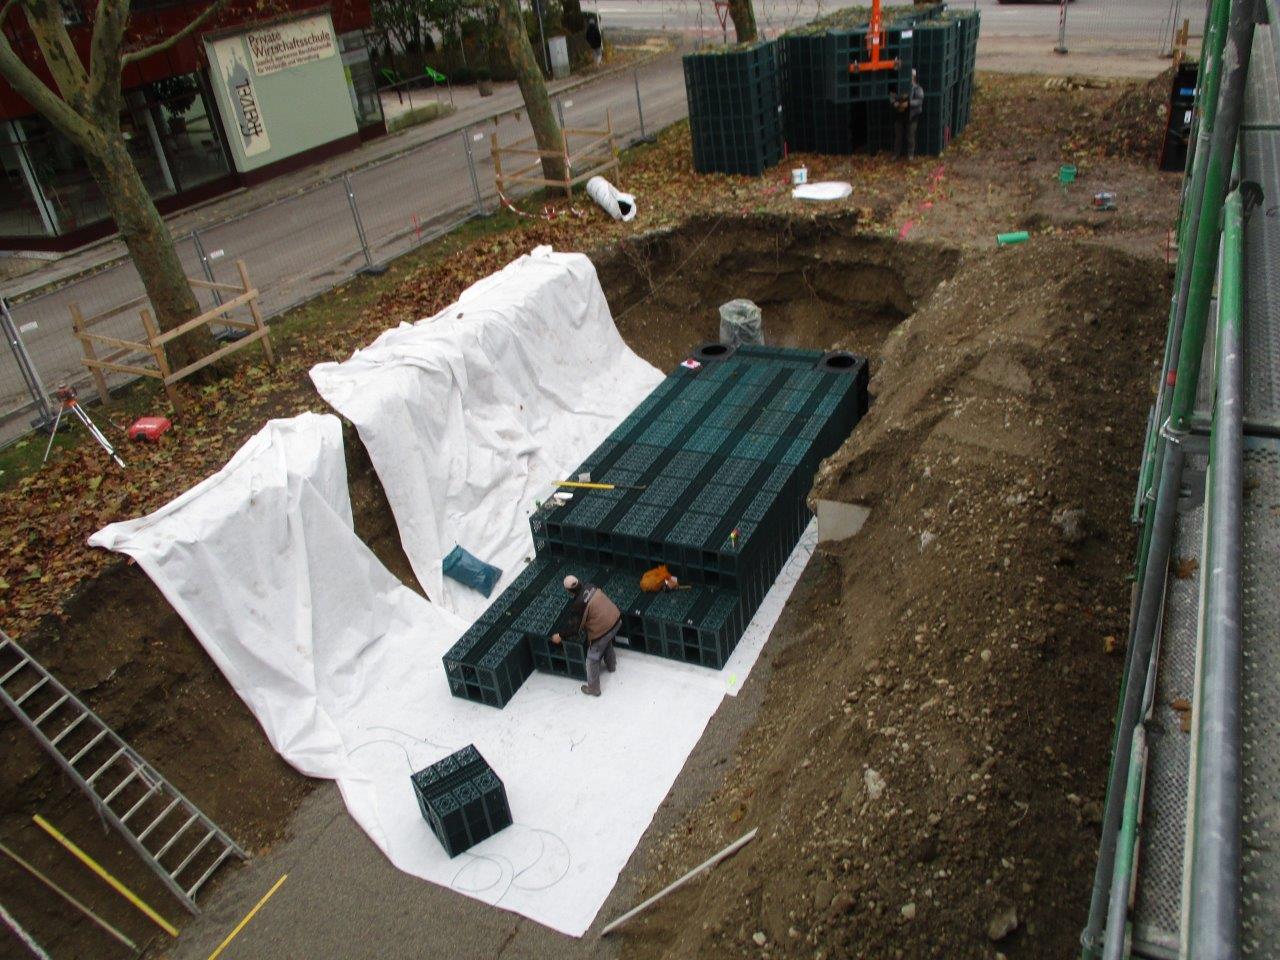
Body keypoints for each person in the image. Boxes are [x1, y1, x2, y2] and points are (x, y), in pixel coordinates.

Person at [551, 575, 621, 696]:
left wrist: (560, 635)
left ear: (568, 591)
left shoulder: (578, 604)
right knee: (606, 639)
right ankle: (611, 665)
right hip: (616, 620)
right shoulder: (591, 585)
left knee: (592, 659)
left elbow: (574, 629)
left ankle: (594, 689)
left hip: (604, 630)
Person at [891, 69, 925, 160]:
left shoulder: (918, 88)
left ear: (913, 77)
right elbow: (892, 96)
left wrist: (909, 103)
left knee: (910, 136)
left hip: (912, 116)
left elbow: (919, 101)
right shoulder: (898, 86)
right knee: (898, 137)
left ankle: (910, 155)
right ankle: (896, 154)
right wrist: (894, 103)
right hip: (900, 115)